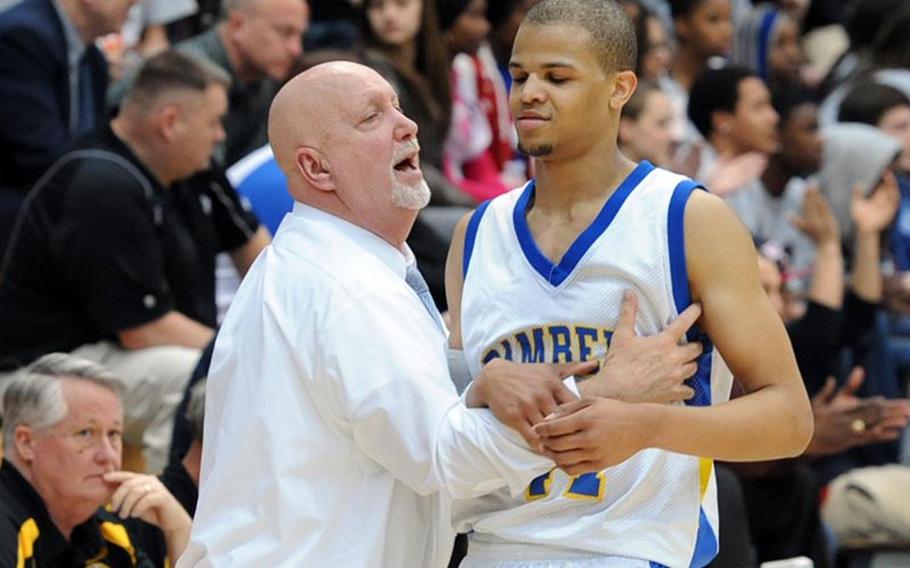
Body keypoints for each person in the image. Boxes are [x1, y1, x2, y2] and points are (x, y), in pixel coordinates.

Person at [178, 60, 705, 567]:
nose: (406, 126)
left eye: (397, 107)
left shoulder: (312, 266)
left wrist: (480, 381)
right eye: (372, 117)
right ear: (317, 168)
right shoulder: (345, 289)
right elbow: (447, 459)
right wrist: (601, 395)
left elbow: (376, 412)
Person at [443, 1, 813, 566]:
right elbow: (442, 428)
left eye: (557, 77)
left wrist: (647, 425)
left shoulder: (687, 219)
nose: (529, 93)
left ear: (621, 89)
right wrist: (481, 384)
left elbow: (789, 419)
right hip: (493, 549)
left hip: (636, 551)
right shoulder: (476, 234)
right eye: (519, 76)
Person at [0, 51, 268, 473]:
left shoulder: (193, 167)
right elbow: (143, 330)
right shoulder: (101, 183)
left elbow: (257, 252)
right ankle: (165, 526)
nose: (221, 135)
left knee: (233, 366)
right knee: (195, 376)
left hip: (113, 354)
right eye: (213, 122)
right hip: (43, 367)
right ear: (170, 122)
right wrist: (244, 349)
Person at [0, 353, 192, 567]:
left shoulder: (105, 530)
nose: (107, 455)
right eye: (85, 433)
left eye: (114, 434)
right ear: (26, 442)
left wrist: (178, 528)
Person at [0, 0, 135, 249]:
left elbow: (95, 148)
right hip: (17, 218)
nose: (138, 2)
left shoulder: (93, 60)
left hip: (55, 210)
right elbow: (43, 157)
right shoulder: (22, 37)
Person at [177, 0, 310, 166]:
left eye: (300, 35)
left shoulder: (263, 78)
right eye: (285, 32)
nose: (296, 49)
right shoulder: (185, 77)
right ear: (238, 26)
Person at [619, 80, 677, 168]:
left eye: (668, 124)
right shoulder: (596, 179)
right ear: (626, 128)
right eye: (661, 124)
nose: (670, 136)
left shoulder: (673, 180)